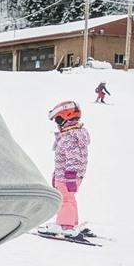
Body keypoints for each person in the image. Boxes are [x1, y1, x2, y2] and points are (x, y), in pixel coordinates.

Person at [44, 100, 90, 237]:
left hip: (67, 177)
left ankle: (65, 226)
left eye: (58, 120)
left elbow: (73, 159)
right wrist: (56, 174)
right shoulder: (74, 134)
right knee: (70, 199)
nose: (57, 124)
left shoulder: (70, 138)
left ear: (65, 118)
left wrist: (70, 177)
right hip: (67, 175)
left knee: (65, 200)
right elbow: (66, 159)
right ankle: (72, 222)